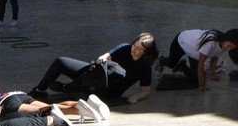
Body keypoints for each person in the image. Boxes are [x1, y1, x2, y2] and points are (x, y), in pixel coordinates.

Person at [29, 33, 157, 111]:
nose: (134, 50)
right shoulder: (125, 47)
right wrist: (102, 58)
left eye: (139, 49)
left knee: (114, 75)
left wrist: (136, 97)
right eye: (134, 45)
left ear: (145, 52)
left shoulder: (144, 67)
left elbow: (145, 91)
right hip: (95, 75)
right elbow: (105, 56)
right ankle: (40, 89)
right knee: (61, 61)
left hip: (109, 89)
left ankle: (68, 88)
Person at [158, 28, 229, 90]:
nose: (229, 49)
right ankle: (161, 59)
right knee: (171, 64)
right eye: (229, 46)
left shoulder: (223, 45)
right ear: (225, 40)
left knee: (196, 80)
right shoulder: (210, 43)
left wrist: (212, 75)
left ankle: (182, 66)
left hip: (193, 50)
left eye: (231, 47)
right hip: (181, 41)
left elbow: (214, 59)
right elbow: (201, 64)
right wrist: (201, 86)